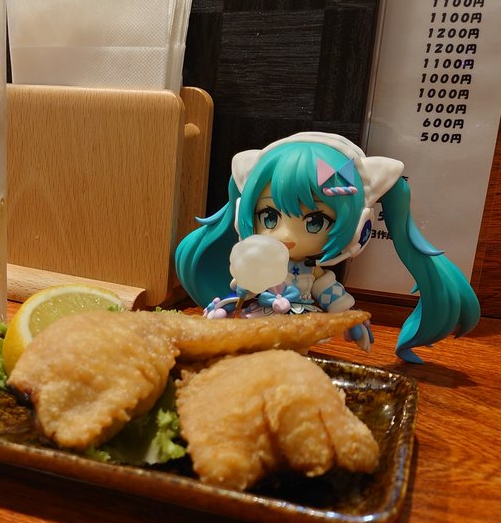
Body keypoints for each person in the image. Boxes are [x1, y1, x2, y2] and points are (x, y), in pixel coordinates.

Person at [175, 132, 480, 363]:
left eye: (314, 221)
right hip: (257, 326)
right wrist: (224, 307)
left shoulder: (313, 273)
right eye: (269, 217)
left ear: (358, 228)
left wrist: (351, 319)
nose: (285, 234)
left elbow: (330, 293)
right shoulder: (259, 263)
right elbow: (243, 290)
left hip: (299, 330)